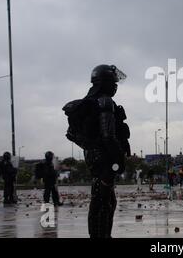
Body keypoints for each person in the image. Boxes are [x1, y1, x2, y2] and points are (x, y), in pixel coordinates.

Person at [63, 64, 131, 238]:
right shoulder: (104, 102)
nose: (116, 86)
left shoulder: (90, 102)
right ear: (105, 83)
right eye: (113, 82)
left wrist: (92, 147)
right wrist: (118, 159)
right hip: (105, 158)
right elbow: (108, 135)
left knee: (103, 199)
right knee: (104, 202)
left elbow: (73, 135)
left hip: (93, 157)